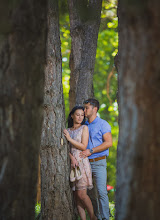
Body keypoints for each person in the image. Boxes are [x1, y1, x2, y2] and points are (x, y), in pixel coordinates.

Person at [80, 98, 112, 220]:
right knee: (86, 193)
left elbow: (108, 143)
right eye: (84, 107)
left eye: (87, 107)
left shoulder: (103, 124)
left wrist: (91, 151)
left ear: (95, 109)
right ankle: (95, 217)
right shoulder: (84, 125)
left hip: (98, 162)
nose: (84, 110)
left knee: (101, 192)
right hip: (85, 163)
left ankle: (105, 218)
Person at [63, 106, 97, 220]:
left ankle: (93, 217)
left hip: (81, 162)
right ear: (72, 115)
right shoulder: (67, 131)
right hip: (70, 163)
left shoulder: (84, 128)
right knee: (76, 196)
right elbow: (63, 149)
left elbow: (83, 146)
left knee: (82, 194)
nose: (80, 117)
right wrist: (71, 157)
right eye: (77, 114)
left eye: (82, 115)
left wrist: (69, 139)